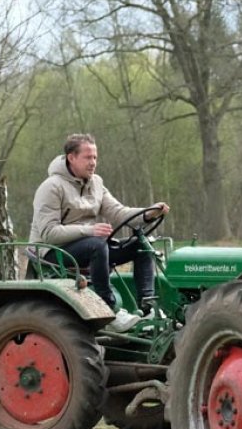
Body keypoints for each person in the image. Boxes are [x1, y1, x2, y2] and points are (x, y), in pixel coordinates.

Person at [29, 133, 169, 332]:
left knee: (141, 244)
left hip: (88, 246)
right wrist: (89, 231)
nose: (93, 162)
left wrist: (148, 213)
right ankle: (108, 310)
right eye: (88, 157)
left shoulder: (96, 183)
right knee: (97, 245)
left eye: (95, 157)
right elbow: (49, 233)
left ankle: (148, 307)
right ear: (71, 157)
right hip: (54, 252)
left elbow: (118, 213)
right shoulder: (51, 187)